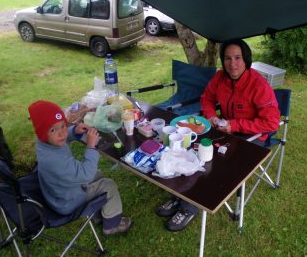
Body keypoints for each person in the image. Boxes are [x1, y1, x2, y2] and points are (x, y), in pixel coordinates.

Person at [155, 39, 280, 232]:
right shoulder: (221, 77)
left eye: (238, 58)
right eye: (228, 58)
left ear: (246, 59)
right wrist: (212, 115)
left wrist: (236, 125)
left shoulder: (258, 86)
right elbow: (207, 98)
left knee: (211, 162)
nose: (233, 64)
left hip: (252, 139)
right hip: (224, 130)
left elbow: (271, 122)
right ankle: (181, 195)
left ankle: (189, 207)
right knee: (192, 148)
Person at [28, 100, 132, 236]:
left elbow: (61, 138)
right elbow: (86, 174)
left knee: (98, 174)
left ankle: (99, 214)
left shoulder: (45, 143)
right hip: (67, 201)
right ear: (43, 133)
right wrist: (90, 146)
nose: (61, 133)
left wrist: (74, 132)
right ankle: (112, 225)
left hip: (60, 191)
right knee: (109, 185)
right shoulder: (54, 160)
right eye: (53, 129)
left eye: (63, 126)